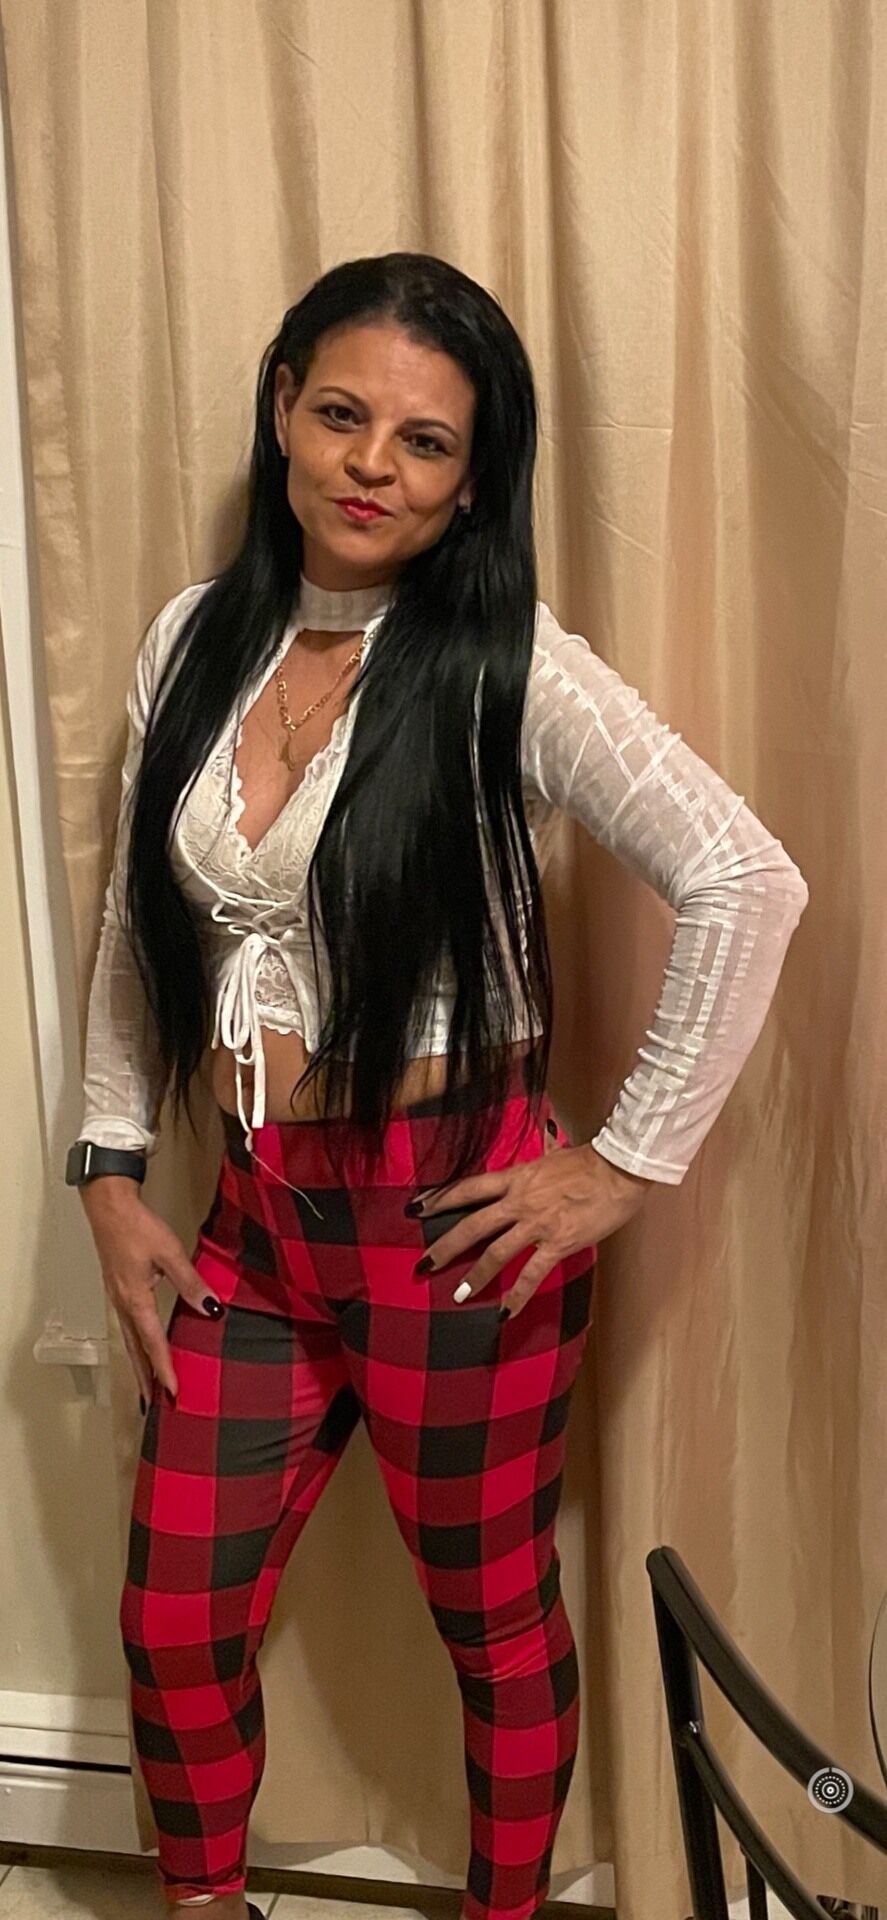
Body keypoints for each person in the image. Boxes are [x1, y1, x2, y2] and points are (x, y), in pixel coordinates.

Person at [66, 251, 809, 1920]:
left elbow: (746, 881)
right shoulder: (193, 640)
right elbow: (132, 925)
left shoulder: (506, 664)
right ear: (282, 409)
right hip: (255, 1221)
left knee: (488, 1618)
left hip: (454, 1227)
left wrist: (622, 1162)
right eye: (341, 415)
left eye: (424, 442)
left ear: (473, 479)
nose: (370, 467)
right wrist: (109, 1168)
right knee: (173, 1616)